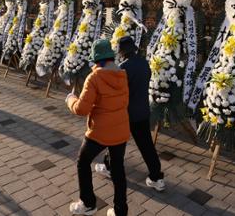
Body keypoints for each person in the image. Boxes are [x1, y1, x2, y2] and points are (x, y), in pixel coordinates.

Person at [66, 39, 130, 216]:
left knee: (83, 162)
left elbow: (81, 109)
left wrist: (70, 99)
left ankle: (88, 203)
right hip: (121, 129)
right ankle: (120, 211)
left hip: (100, 131)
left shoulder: (94, 78)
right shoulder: (122, 74)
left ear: (96, 60)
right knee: (118, 170)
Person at [94, 36, 165, 191]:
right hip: (143, 111)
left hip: (126, 114)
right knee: (146, 146)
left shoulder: (123, 67)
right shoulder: (145, 63)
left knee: (116, 144)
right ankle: (156, 177)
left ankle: (109, 167)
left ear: (122, 52)